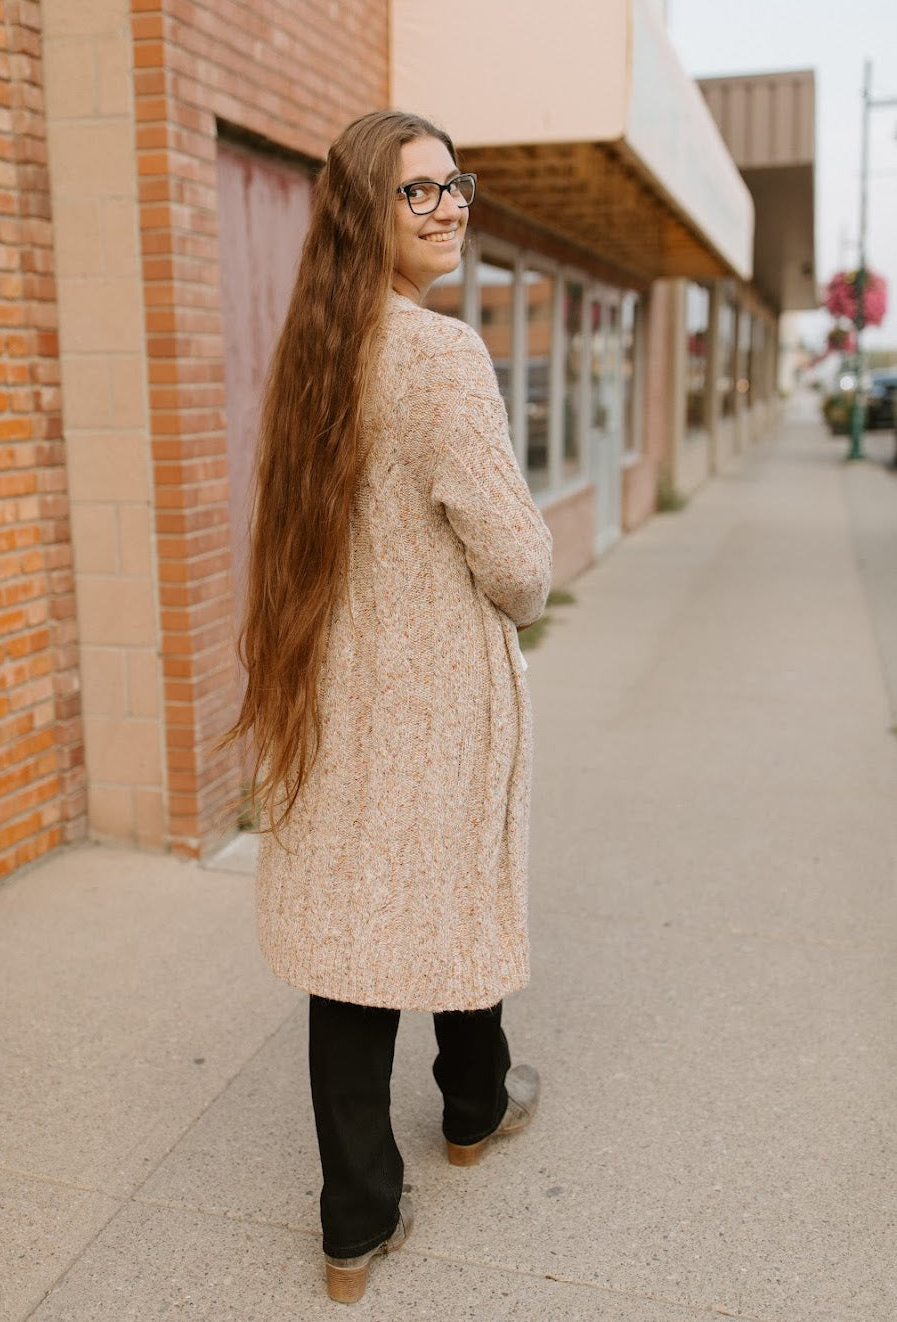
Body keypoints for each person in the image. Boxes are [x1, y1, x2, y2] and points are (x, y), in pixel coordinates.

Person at [229, 110, 553, 1303]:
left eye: (454, 184)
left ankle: (355, 1223)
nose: (449, 206)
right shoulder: (436, 354)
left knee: (351, 945)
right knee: (455, 891)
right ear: (365, 211)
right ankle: (472, 1107)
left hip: (338, 687)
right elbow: (515, 561)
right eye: (417, 192)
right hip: (432, 688)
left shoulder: (317, 348)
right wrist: (538, 561)